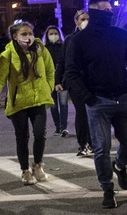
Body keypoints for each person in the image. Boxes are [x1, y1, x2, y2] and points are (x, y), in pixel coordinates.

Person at [64, 0, 127, 209]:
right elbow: (71, 73)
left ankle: (121, 165)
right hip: (98, 101)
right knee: (101, 147)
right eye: (106, 10)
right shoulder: (79, 40)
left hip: (124, 98)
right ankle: (107, 189)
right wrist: (87, 97)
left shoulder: (121, 35)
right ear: (95, 12)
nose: (110, 12)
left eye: (111, 9)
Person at [0, 21, 55, 185]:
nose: (28, 37)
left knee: (40, 135)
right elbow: (1, 78)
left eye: (30, 33)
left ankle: (37, 166)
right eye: (24, 34)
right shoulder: (7, 55)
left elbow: (50, 70)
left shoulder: (40, 49)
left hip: (39, 100)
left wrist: (48, 87)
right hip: (19, 103)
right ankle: (25, 171)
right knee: (22, 138)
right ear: (15, 36)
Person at [58, 10, 92, 157]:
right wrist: (58, 81)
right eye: (82, 19)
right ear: (76, 22)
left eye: (88, 19)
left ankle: (93, 142)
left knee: (94, 113)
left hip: (93, 81)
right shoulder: (70, 39)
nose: (85, 21)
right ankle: (83, 143)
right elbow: (62, 61)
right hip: (76, 81)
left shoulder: (95, 37)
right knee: (82, 113)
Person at [42, 25, 69, 136]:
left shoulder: (64, 46)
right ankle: (57, 127)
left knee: (63, 104)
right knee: (53, 105)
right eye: (51, 34)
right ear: (47, 36)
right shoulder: (43, 49)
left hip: (63, 79)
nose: (53, 36)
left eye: (55, 33)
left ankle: (63, 127)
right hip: (49, 81)